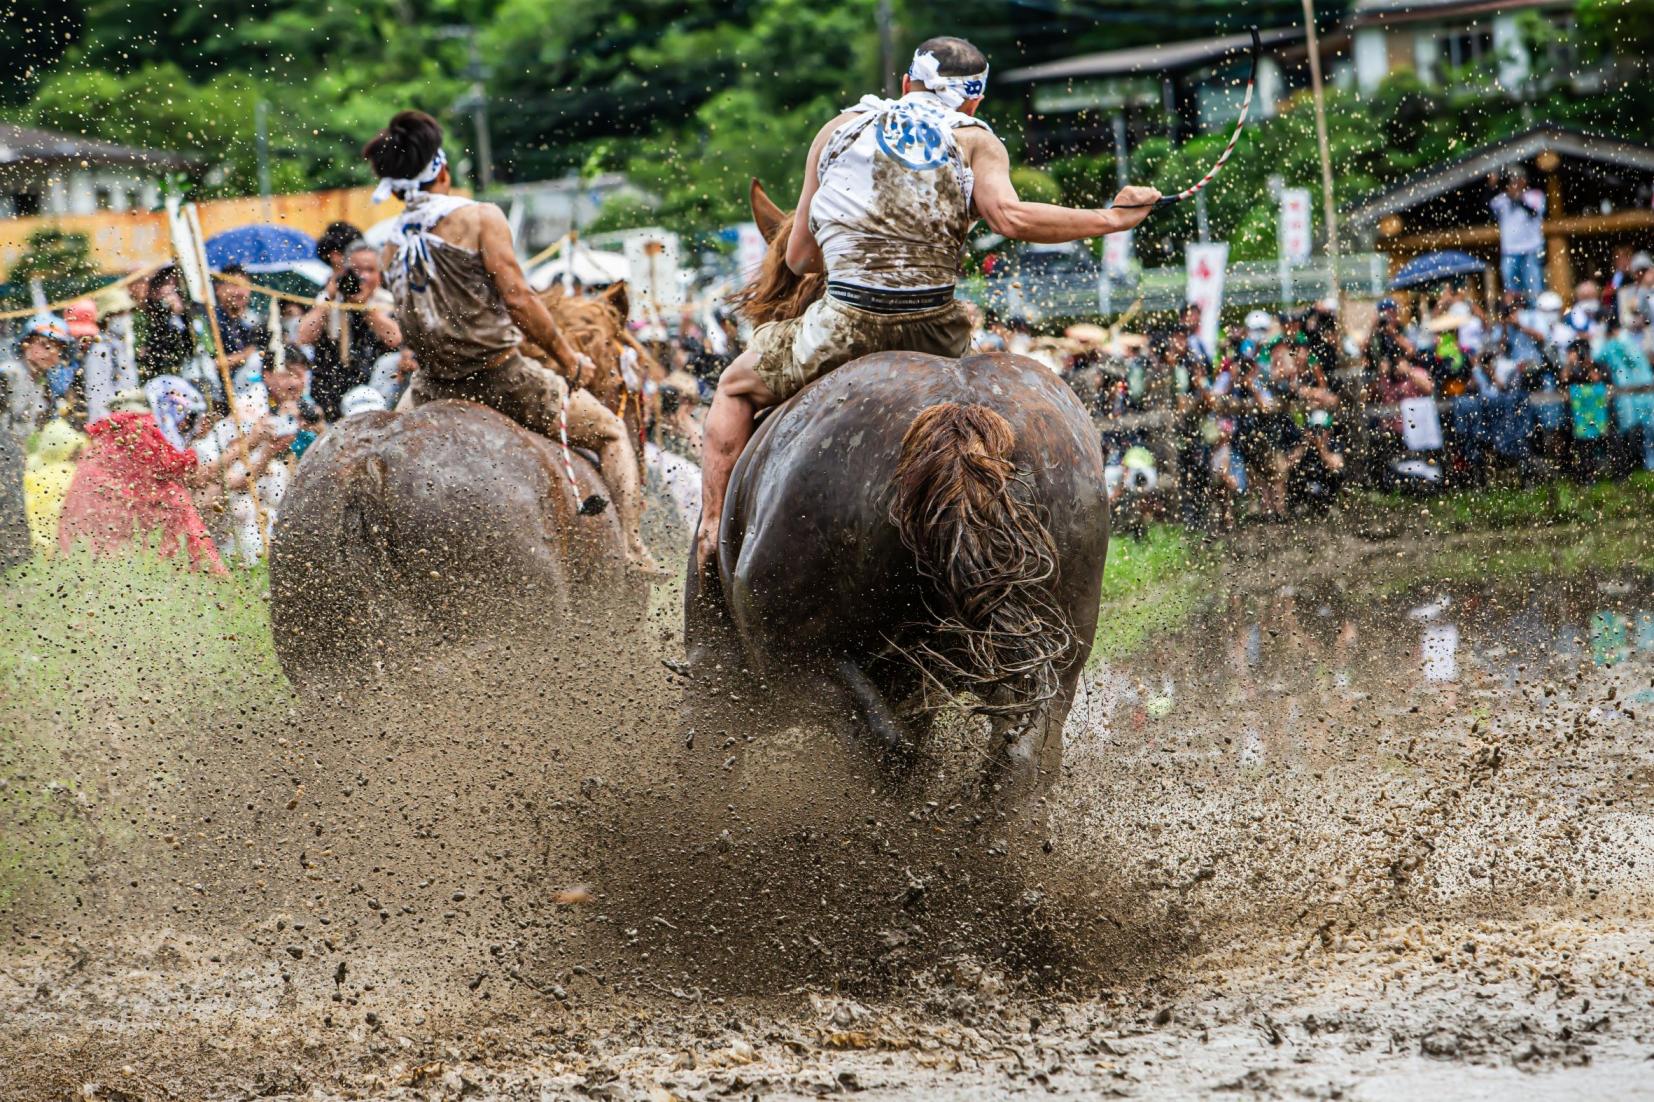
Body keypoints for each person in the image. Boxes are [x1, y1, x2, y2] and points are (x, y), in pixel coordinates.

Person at [695, 35, 1159, 569]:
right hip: (937, 333)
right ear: (973, 102)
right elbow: (1011, 218)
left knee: (732, 389)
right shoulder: (976, 141)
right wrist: (1111, 219)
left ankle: (710, 534)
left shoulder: (838, 131)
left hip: (843, 325)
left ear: (905, 84)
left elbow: (800, 260)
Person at [364, 109, 657, 574]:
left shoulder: (389, 242)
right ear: (442, 170)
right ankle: (632, 550)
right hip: (502, 378)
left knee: (382, 456)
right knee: (611, 433)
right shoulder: (480, 217)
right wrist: (567, 355)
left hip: (429, 388)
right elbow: (518, 298)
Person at [57, 386, 225, 573]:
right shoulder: (139, 426)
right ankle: (204, 569)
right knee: (178, 501)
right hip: (124, 510)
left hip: (91, 513)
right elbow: (171, 466)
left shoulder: (100, 437)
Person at [298, 239, 402, 420]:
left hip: (378, 392)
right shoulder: (329, 299)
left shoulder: (387, 301)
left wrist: (363, 307)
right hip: (333, 390)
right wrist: (329, 298)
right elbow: (303, 336)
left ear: (380, 275)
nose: (362, 277)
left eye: (370, 270)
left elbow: (395, 338)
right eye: (356, 270)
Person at [1488, 167, 1545, 298]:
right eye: (1511, 180)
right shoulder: (1502, 199)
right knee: (1511, 289)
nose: (1514, 183)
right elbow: (1487, 206)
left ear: (1524, 180)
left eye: (1517, 179)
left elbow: (1534, 212)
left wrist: (1517, 199)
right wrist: (1492, 186)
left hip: (1531, 249)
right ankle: (1516, 315)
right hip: (1510, 251)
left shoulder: (1535, 195)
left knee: (1534, 288)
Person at [136, 265, 197, 380]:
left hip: (189, 370)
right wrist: (166, 318)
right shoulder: (149, 314)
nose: (169, 289)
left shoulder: (192, 312)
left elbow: (195, 345)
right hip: (160, 375)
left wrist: (182, 315)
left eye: (174, 284)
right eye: (165, 283)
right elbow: (152, 348)